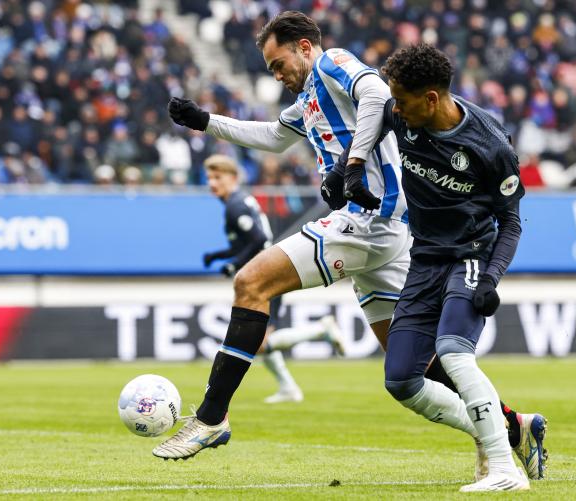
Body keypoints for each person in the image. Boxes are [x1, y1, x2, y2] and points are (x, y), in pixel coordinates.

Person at [154, 12, 545, 483]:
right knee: (413, 370)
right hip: (391, 233)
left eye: (279, 64)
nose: (276, 75)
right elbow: (276, 138)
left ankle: (212, 416)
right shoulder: (310, 99)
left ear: (303, 47)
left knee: (251, 282)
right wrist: (206, 122)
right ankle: (512, 428)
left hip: (366, 220)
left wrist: (352, 163)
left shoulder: (333, 63)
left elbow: (378, 93)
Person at [361, 43, 541, 491]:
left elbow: (512, 222)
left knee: (455, 352)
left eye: (402, 99)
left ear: (432, 99)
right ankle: (511, 431)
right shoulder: (399, 113)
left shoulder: (490, 144)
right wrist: (350, 166)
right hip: (424, 260)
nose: (394, 108)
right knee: (401, 381)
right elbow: (370, 117)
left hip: (472, 256)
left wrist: (492, 279)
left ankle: (503, 470)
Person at [202, 154, 345, 404]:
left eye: (218, 177)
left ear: (233, 178)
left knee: (256, 341)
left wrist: (234, 264)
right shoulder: (238, 202)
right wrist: (217, 256)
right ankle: (288, 387)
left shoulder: (235, 206)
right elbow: (249, 242)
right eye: (209, 178)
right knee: (261, 338)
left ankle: (320, 331)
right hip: (265, 273)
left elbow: (257, 241)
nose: (212, 183)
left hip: (265, 278)